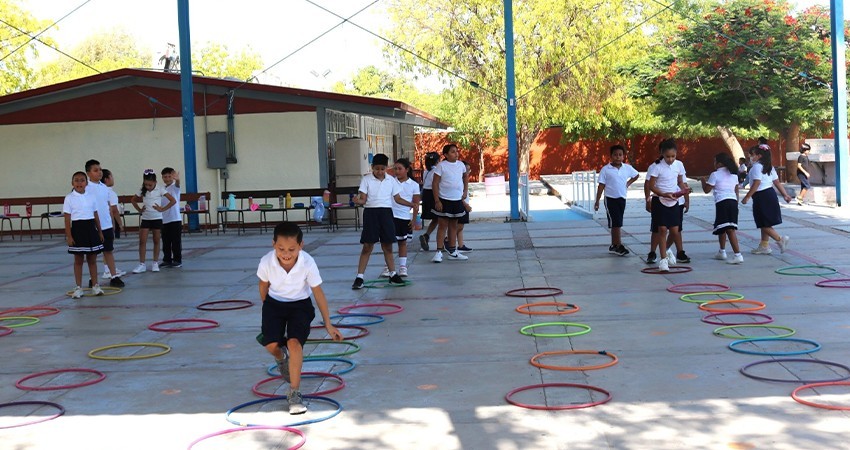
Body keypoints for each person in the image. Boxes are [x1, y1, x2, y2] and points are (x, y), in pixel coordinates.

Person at [256, 221, 343, 415]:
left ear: (301, 246)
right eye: (281, 249)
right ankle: (281, 357)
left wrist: (328, 325)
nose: (286, 254)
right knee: (271, 346)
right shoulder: (266, 262)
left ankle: (294, 392)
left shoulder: (307, 262)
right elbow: (263, 285)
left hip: (300, 306)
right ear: (273, 245)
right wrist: (267, 309)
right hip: (273, 303)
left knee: (295, 343)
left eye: (291, 249)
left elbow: (318, 293)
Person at [351, 153, 414, 289]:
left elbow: (397, 198)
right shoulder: (366, 180)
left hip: (386, 213)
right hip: (371, 213)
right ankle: (359, 277)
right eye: (377, 168)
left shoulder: (391, 180)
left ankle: (393, 274)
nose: (379, 172)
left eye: (382, 169)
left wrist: (411, 204)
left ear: (386, 168)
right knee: (368, 246)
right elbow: (363, 199)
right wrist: (358, 201)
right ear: (372, 167)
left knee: (387, 245)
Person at [646, 138, 689, 272]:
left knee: (675, 231)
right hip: (660, 200)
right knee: (662, 230)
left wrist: (685, 192)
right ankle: (663, 260)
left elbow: (681, 182)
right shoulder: (657, 167)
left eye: (673, 156)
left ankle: (667, 250)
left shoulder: (679, 165)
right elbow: (651, 185)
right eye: (667, 156)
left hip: (674, 201)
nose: (670, 159)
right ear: (662, 154)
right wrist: (663, 194)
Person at [741, 144, 792, 254]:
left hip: (761, 196)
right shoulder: (769, 166)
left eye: (752, 155)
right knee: (765, 222)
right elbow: (776, 182)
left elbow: (756, 183)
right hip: (770, 194)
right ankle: (764, 246)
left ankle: (780, 239)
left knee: (762, 223)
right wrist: (785, 195)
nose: (750, 156)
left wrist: (747, 196)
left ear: (759, 156)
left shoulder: (756, 167)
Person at [64, 171, 105, 298]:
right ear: (72, 183)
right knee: (78, 260)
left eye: (82, 180)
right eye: (76, 180)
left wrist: (100, 231)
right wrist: (69, 236)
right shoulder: (69, 198)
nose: (79, 183)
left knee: (92, 259)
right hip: (77, 229)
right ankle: (78, 287)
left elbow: (96, 215)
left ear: (86, 183)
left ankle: (95, 285)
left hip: (90, 228)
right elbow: (67, 219)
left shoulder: (91, 196)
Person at [85, 160, 124, 288]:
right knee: (93, 254)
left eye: (100, 169)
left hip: (106, 225)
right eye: (95, 170)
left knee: (108, 251)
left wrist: (112, 224)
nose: (99, 172)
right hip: (94, 226)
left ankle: (114, 276)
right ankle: (93, 279)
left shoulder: (104, 188)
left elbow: (108, 207)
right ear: (88, 173)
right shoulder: (86, 188)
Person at [594, 145, 639, 256]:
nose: (617, 157)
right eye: (615, 155)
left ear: (623, 156)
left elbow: (636, 175)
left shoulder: (627, 168)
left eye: (620, 155)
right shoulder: (606, 170)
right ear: (611, 156)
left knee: (617, 223)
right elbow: (601, 186)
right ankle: (618, 245)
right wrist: (597, 201)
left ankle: (614, 245)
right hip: (610, 199)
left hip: (621, 198)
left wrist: (628, 183)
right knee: (616, 223)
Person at [700, 153, 744, 264]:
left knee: (729, 229)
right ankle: (722, 251)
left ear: (719, 163)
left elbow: (706, 190)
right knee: (722, 227)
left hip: (722, 202)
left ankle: (738, 254)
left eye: (714, 161)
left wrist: (702, 181)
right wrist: (736, 203)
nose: (713, 163)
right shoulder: (734, 175)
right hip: (733, 202)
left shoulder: (715, 175)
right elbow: (736, 191)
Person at [130, 169, 176, 273]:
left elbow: (173, 200)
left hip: (157, 218)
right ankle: (142, 264)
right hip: (146, 218)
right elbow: (133, 200)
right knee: (142, 241)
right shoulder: (142, 189)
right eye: (146, 185)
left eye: (150, 185)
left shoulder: (160, 189)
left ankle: (155, 263)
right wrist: (139, 210)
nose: (148, 187)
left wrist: (162, 209)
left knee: (156, 240)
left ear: (155, 182)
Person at [381, 158, 420, 278]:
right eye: (395, 169)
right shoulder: (390, 182)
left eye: (400, 169)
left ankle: (403, 267)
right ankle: (388, 267)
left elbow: (416, 204)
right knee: (388, 243)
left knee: (402, 243)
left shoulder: (414, 185)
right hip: (390, 216)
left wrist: (413, 220)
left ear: (407, 170)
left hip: (403, 217)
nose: (397, 171)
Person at [431, 144, 469, 263]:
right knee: (442, 225)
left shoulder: (461, 165)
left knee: (454, 226)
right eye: (452, 152)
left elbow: (465, 178)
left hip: (456, 200)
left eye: (456, 151)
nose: (456, 154)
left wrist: (465, 191)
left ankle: (452, 251)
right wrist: (437, 200)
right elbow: (435, 183)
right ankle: (438, 251)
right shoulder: (441, 166)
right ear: (446, 155)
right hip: (444, 199)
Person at [417, 151, 441, 251]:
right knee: (441, 219)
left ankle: (426, 236)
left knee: (436, 219)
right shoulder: (437, 171)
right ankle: (442, 242)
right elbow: (437, 184)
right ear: (438, 161)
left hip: (426, 195)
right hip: (433, 194)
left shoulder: (426, 171)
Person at [160, 167, 183, 268]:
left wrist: (177, 179)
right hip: (164, 220)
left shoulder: (174, 187)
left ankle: (177, 260)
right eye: (165, 177)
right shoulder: (162, 189)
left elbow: (178, 184)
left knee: (175, 241)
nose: (167, 178)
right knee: (166, 241)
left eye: (169, 176)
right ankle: (167, 259)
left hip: (175, 219)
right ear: (162, 178)